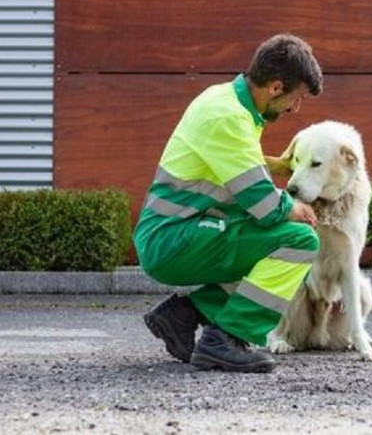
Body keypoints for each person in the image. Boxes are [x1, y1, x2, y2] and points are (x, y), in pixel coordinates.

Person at [133, 33, 322, 373]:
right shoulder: (229, 118)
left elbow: (231, 165)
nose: (297, 110)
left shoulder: (225, 101)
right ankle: (226, 339)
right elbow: (264, 206)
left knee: (266, 242)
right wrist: (296, 208)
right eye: (297, 99)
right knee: (298, 240)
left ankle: (185, 314)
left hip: (178, 230)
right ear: (276, 87)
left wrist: (277, 165)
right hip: (172, 239)